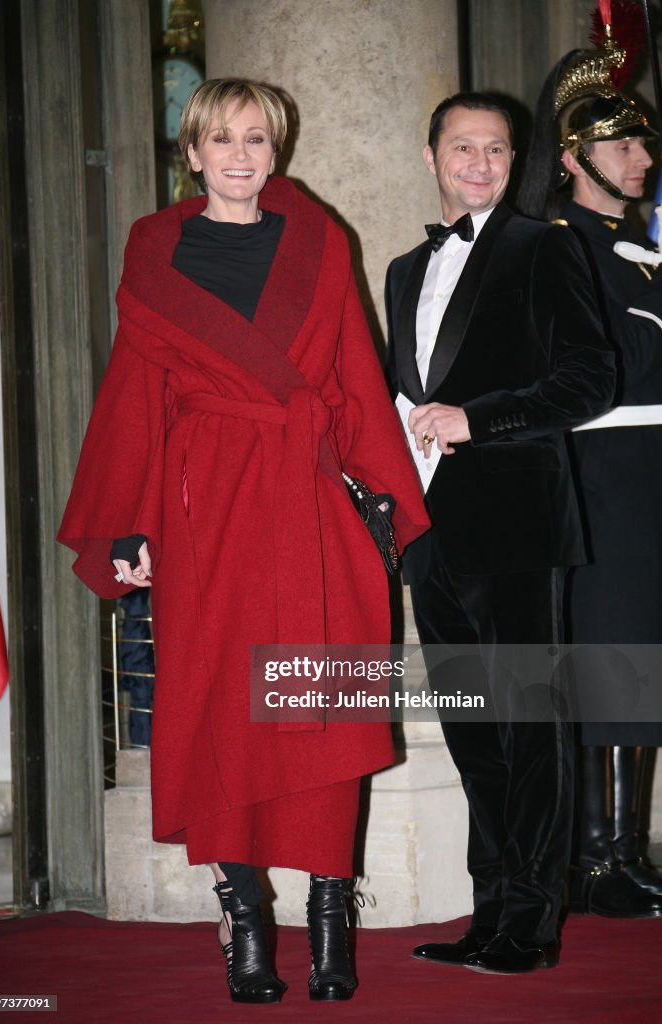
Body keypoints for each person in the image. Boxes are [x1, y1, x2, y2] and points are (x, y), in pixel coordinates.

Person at [58, 78, 429, 1004]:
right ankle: (245, 920)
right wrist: (125, 523)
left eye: (255, 138)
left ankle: (331, 918)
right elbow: (132, 397)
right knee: (223, 710)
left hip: (310, 507)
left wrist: (381, 498)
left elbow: (352, 370)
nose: (238, 153)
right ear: (190, 152)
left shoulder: (318, 242)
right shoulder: (156, 248)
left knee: (325, 707)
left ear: (277, 151)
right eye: (219, 137)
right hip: (206, 514)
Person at [385, 92, 615, 974]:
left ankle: (531, 925)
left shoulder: (543, 246)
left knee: (530, 724)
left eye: (495, 150)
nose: (478, 163)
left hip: (519, 518)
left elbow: (589, 378)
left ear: (513, 161)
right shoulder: (406, 267)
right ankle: (489, 914)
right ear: (430, 154)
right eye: (461, 147)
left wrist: (479, 420)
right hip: (431, 531)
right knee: (473, 727)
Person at [516, 18, 662, 919]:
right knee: (611, 655)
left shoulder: (640, 249)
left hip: (644, 464)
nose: (643, 154)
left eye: (643, 137)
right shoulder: (559, 246)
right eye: (623, 141)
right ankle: (598, 858)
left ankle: (619, 849)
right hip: (601, 465)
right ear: (573, 157)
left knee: (642, 654)